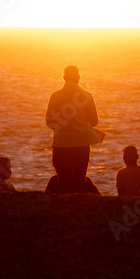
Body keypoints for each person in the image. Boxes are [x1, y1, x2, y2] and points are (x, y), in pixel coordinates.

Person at [45, 65, 105, 194]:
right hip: (81, 145)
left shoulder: (55, 96)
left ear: (64, 78)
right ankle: (80, 210)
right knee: (79, 182)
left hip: (61, 145)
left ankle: (64, 210)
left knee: (63, 183)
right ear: (78, 77)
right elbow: (94, 121)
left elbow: (49, 122)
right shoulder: (88, 96)